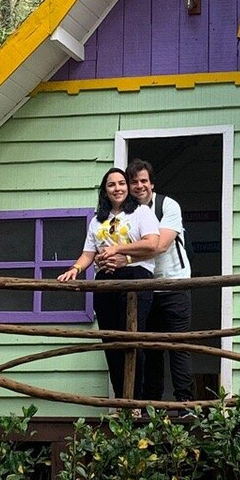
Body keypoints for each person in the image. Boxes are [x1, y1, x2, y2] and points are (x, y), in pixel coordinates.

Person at [58, 167, 160, 400]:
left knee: (132, 339)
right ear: (105, 191)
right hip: (104, 281)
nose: (118, 188)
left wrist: (117, 249)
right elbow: (88, 254)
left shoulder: (141, 213)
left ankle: (136, 401)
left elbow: (152, 243)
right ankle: (121, 400)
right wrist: (75, 269)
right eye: (112, 185)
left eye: (122, 183)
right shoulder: (97, 220)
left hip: (135, 278)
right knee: (112, 342)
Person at [118, 158, 194, 403]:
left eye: (144, 181)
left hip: (174, 284)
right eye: (134, 182)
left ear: (152, 183)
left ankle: (186, 406)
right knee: (151, 350)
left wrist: (125, 257)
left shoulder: (167, 205)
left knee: (178, 347)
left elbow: (160, 245)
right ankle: (154, 407)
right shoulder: (124, 212)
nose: (139, 186)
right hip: (145, 287)